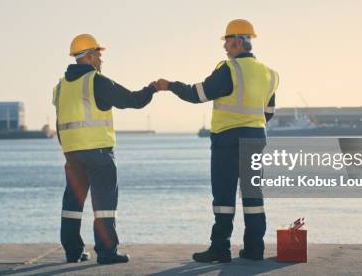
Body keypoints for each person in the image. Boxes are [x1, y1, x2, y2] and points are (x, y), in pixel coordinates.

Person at [155, 19, 278, 262]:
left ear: (240, 42)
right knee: (254, 197)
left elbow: (197, 94)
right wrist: (251, 125)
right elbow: (269, 111)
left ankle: (220, 249)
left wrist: (170, 86)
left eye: (228, 43)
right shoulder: (269, 74)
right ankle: (255, 249)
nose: (225, 48)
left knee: (223, 198)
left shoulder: (229, 70)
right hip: (255, 140)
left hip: (228, 141)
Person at [53, 33, 158, 264]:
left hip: (72, 154)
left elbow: (59, 122)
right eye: (99, 56)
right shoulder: (96, 81)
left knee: (72, 204)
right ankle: (107, 253)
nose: (101, 61)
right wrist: (151, 88)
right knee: (104, 204)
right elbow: (133, 100)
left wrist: (68, 150)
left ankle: (73, 252)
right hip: (98, 152)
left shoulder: (60, 87)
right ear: (89, 56)